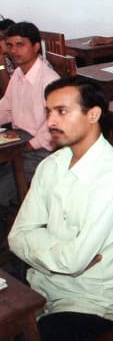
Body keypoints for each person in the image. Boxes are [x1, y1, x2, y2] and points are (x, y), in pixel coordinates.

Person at [9, 76, 113, 341]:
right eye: (48, 112)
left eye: (62, 111)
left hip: (91, 301)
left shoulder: (112, 177)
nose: (51, 121)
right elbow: (16, 236)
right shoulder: (51, 165)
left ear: (93, 114)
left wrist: (44, 245)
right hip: (41, 283)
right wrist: (64, 252)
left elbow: (73, 260)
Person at [0, 22, 60, 206]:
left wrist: (26, 145)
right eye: (9, 45)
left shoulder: (49, 80)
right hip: (19, 144)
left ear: (35, 47)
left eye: (20, 45)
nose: (14, 51)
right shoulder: (18, 74)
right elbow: (5, 108)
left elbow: (54, 128)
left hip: (41, 153)